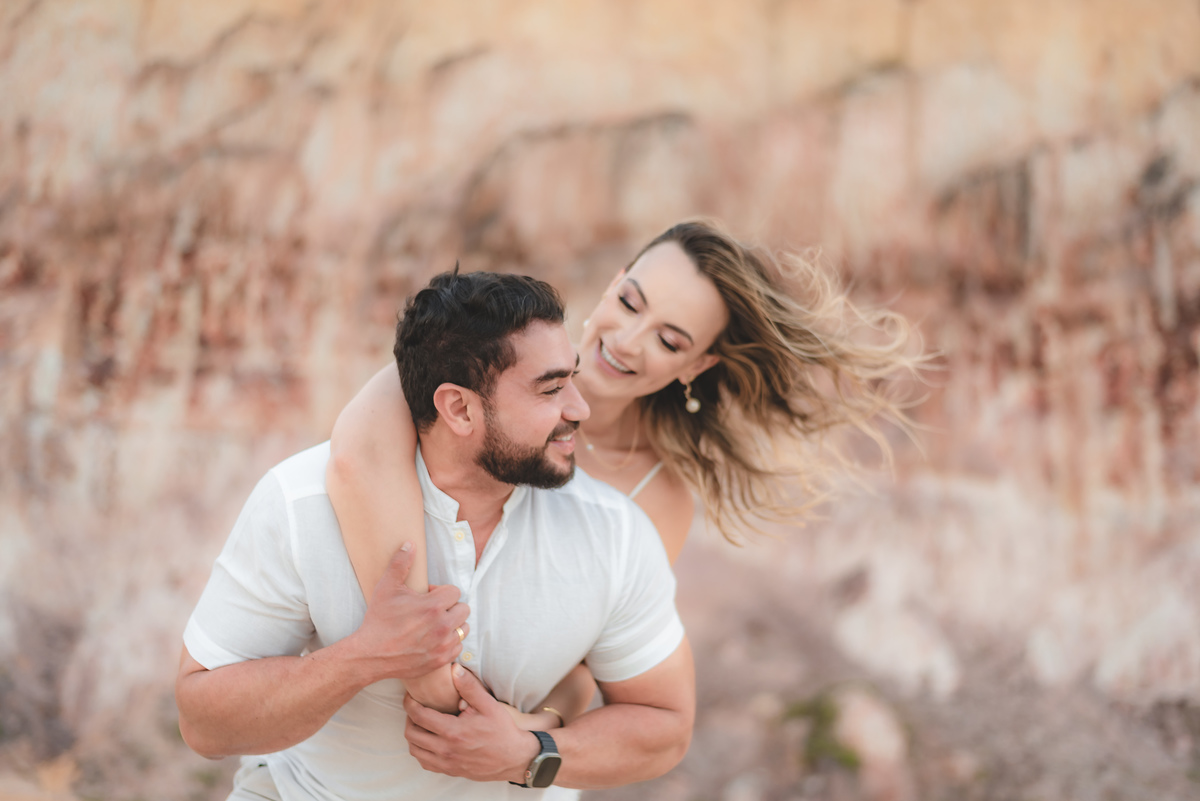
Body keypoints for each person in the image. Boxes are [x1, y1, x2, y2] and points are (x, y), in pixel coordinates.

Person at [327, 219, 921, 727]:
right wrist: (427, 669)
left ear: (699, 364)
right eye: (631, 302)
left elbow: (590, 664)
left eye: (668, 339)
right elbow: (360, 453)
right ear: (613, 284)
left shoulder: (654, 499)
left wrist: (535, 729)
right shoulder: (491, 353)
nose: (629, 341)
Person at [176, 270, 695, 800]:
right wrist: (363, 658)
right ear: (459, 408)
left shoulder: (616, 534)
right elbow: (204, 724)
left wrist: (530, 754)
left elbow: (664, 727)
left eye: (573, 380)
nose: (579, 409)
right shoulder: (299, 504)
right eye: (552, 389)